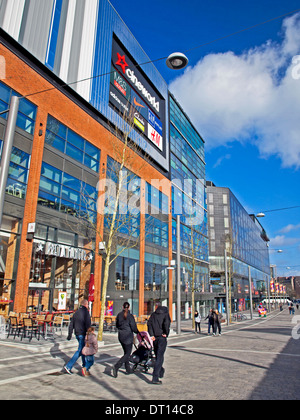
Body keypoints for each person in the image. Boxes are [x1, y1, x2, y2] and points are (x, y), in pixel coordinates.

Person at [64, 299, 91, 375]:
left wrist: (69, 334)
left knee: (82, 350)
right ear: (85, 305)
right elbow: (88, 325)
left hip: (77, 333)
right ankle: (69, 366)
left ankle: (84, 367)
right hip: (83, 334)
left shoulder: (76, 313)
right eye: (88, 304)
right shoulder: (86, 313)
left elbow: (71, 324)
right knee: (80, 350)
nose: (88, 306)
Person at [113, 302, 139, 378]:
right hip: (128, 336)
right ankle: (117, 366)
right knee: (127, 353)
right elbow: (134, 327)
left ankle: (128, 369)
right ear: (129, 307)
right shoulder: (130, 316)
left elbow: (117, 325)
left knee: (126, 352)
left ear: (122, 306)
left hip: (121, 336)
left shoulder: (119, 315)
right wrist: (138, 332)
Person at [147, 306, 171, 385]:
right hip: (161, 337)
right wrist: (166, 333)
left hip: (155, 338)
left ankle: (160, 370)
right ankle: (155, 377)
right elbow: (166, 323)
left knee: (157, 355)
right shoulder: (165, 314)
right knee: (160, 357)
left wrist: (151, 334)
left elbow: (149, 324)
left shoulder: (153, 314)